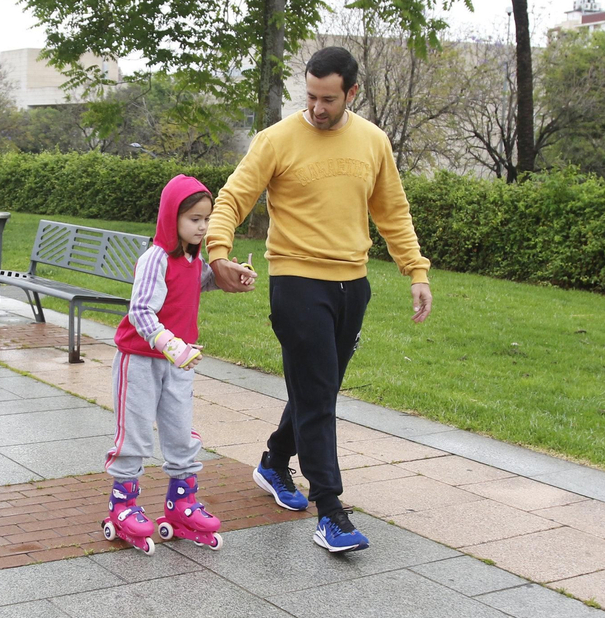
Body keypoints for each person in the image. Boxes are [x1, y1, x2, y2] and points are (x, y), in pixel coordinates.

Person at [206, 45, 433, 554]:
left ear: (352, 92)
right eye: (310, 96)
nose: (317, 107)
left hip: (353, 285)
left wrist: (415, 271)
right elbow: (233, 197)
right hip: (296, 282)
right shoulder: (276, 140)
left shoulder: (373, 141)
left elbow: (392, 211)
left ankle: (274, 459)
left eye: (328, 98)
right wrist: (218, 251)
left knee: (319, 390)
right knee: (318, 393)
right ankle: (330, 508)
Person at [104, 175, 251, 553]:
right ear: (173, 219)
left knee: (181, 432)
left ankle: (181, 504)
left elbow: (197, 282)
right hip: (140, 359)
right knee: (134, 433)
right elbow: (139, 310)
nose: (202, 227)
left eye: (206, 219)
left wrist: (228, 276)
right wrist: (167, 341)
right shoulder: (155, 258)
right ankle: (123, 506)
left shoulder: (192, 257)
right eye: (194, 219)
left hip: (178, 361)